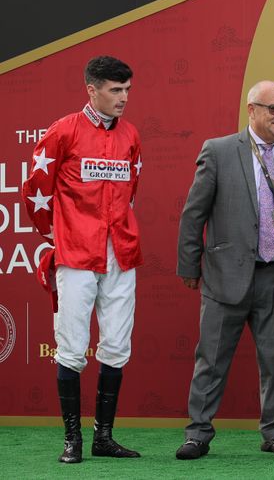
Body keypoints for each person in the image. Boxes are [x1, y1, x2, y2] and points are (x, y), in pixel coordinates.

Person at [175, 80, 274, 460]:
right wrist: (190, 264)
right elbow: (194, 213)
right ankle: (197, 434)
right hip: (225, 273)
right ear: (251, 110)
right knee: (212, 357)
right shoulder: (219, 151)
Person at [22, 56, 143, 463]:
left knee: (116, 345)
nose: (123, 98)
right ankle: (72, 441)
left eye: (127, 89)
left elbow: (131, 191)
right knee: (72, 347)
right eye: (115, 90)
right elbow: (35, 191)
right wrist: (57, 234)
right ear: (92, 90)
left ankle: (103, 438)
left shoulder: (131, 135)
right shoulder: (63, 131)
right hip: (76, 253)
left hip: (121, 253)